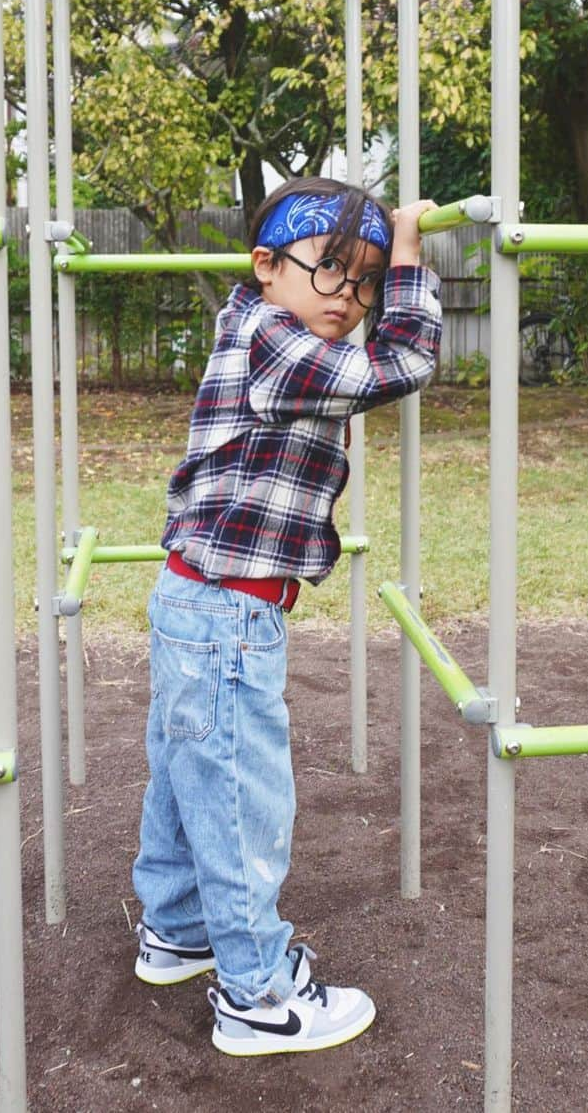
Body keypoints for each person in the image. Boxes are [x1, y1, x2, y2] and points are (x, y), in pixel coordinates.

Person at [131, 174, 442, 1056]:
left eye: (372, 279)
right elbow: (406, 364)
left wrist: (379, 266)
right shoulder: (279, 343)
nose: (353, 297)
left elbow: (361, 339)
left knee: (188, 780)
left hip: (199, 600)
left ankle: (178, 928)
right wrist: (413, 255)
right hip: (226, 613)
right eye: (333, 271)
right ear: (266, 266)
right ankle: (258, 995)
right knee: (238, 799)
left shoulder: (269, 325)